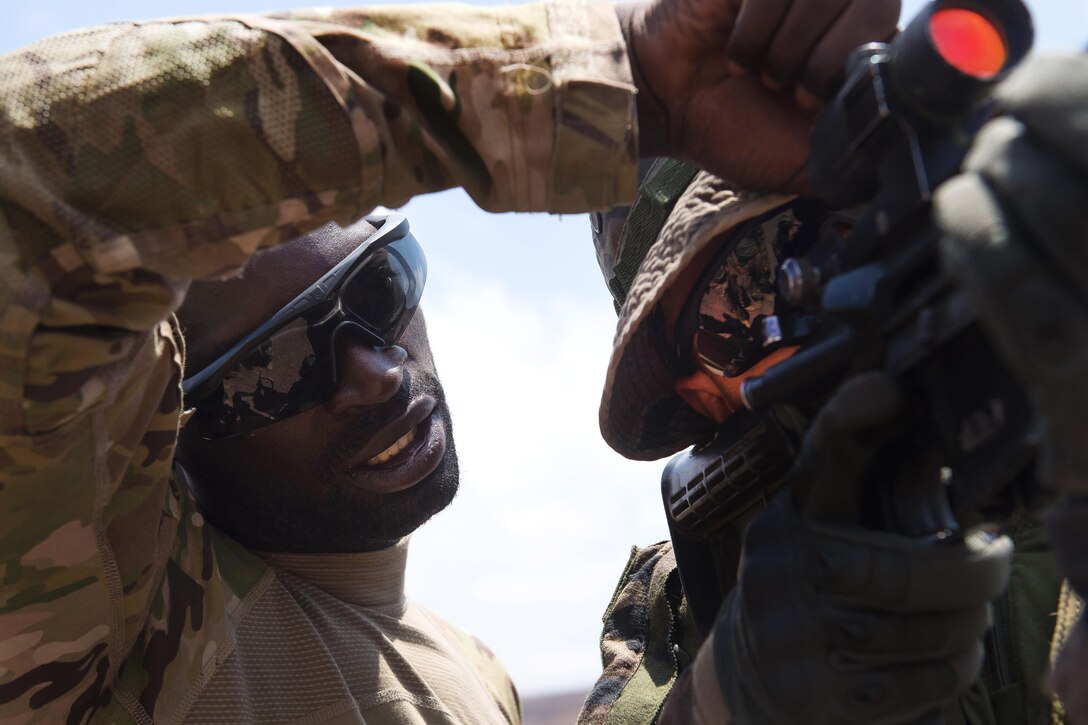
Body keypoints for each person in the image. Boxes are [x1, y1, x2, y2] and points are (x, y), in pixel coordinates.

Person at [0, 0, 902, 721]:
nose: (378, 375)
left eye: (379, 289)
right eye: (273, 365)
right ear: (169, 425)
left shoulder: (475, 671)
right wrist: (619, 81)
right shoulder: (120, 638)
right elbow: (28, 182)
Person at [579, 53, 1088, 725]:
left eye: (848, 223)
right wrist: (724, 699)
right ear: (703, 395)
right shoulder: (699, 614)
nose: (830, 285)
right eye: (748, 292)